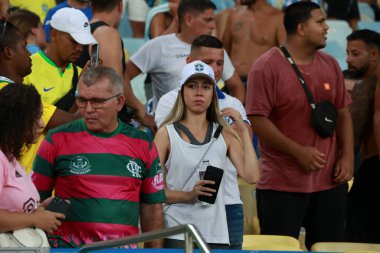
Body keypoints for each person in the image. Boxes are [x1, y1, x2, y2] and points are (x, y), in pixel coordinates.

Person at [246, 2, 354, 249]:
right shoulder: (266, 66)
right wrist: (298, 151)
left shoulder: (330, 64)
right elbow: (257, 119)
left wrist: (347, 156)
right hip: (283, 183)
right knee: (279, 248)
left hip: (330, 183)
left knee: (331, 248)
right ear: (302, 28)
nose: (327, 28)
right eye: (320, 22)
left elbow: (343, 113)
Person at [32, 67, 166, 248]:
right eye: (82, 100)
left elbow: (152, 207)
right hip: (69, 250)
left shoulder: (142, 142)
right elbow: (34, 202)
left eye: (96, 101)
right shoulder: (56, 139)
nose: (87, 109)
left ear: (119, 102)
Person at [155, 34, 254, 249]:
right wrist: (189, 195)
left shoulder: (229, 121)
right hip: (178, 227)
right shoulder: (167, 128)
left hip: (220, 218)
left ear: (213, 93)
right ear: (182, 91)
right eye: (192, 87)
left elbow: (252, 175)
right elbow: (153, 188)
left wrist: (244, 133)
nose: (199, 93)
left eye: (206, 87)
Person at [126, 0, 246, 114]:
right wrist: (141, 112)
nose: (213, 26)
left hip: (209, 129)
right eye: (207, 20)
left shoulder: (215, 48)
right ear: (189, 19)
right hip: (167, 129)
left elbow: (237, 87)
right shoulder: (158, 46)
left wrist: (230, 118)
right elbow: (122, 76)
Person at [0, 21, 80, 173]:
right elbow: (73, 124)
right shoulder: (11, 94)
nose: (30, 53)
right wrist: (87, 90)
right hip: (22, 187)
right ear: (9, 52)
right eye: (24, 47)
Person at [0, 83, 64, 235]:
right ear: (16, 120)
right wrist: (34, 219)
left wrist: (38, 207)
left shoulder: (11, 158)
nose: (41, 124)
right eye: (36, 118)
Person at [23, 7, 97, 112]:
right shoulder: (27, 68)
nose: (80, 48)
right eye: (74, 41)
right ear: (54, 35)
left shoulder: (83, 75)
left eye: (83, 43)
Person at [345, 29, 380, 243]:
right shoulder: (367, 83)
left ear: (374, 54)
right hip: (369, 167)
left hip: (375, 168)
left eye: (356, 54)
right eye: (348, 53)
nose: (348, 59)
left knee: (361, 236)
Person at [222, 0, 286, 84]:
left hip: (262, 83)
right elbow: (223, 51)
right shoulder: (234, 15)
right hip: (234, 83)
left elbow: (285, 58)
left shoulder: (279, 18)